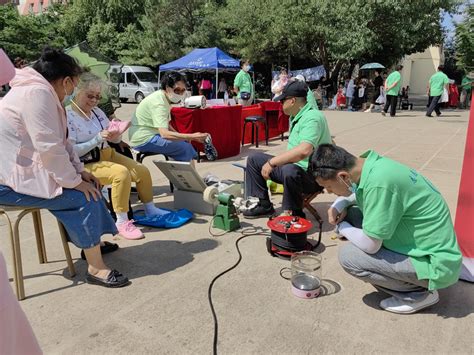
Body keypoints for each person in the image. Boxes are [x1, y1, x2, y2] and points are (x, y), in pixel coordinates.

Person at [0, 47, 129, 287]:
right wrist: (73, 182)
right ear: (67, 81)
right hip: (6, 182)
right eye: (74, 85)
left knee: (88, 185)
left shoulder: (39, 91)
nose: (72, 91)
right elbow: (50, 148)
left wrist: (80, 172)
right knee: (83, 197)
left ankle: (92, 245)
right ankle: (95, 267)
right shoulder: (36, 95)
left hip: (20, 172)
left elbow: (62, 142)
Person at [311, 144, 462, 314]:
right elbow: (361, 193)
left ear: (343, 177)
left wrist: (342, 227)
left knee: (349, 257)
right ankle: (410, 280)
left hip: (436, 263)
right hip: (426, 242)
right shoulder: (372, 166)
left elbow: (370, 245)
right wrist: (340, 204)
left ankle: (417, 294)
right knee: (353, 214)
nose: (330, 192)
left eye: (329, 187)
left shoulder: (379, 185)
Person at [67, 72, 169, 240]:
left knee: (141, 170)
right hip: (85, 162)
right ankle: (122, 221)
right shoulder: (68, 116)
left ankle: (150, 209)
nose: (94, 100)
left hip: (108, 153)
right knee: (120, 174)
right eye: (90, 95)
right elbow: (72, 151)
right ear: (78, 91)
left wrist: (117, 135)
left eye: (98, 97)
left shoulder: (97, 112)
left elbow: (113, 136)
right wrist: (97, 138)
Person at [0, 47, 42, 355]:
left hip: (19, 175)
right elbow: (33, 156)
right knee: (79, 199)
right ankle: (94, 260)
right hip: (11, 182)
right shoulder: (30, 102)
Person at [243, 80, 332, 218]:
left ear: (292, 101)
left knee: (288, 169)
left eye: (282, 101)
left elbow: (304, 150)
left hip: (313, 177)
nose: (280, 104)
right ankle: (264, 204)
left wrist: (272, 162)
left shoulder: (313, 118)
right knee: (254, 159)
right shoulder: (295, 116)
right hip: (294, 171)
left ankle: (295, 213)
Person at [129, 71, 209, 163]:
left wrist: (184, 138)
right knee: (185, 148)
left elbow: (165, 123)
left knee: (183, 144)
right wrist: (191, 137)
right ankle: (188, 176)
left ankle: (183, 173)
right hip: (143, 139)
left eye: (183, 91)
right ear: (167, 88)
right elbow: (165, 134)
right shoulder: (159, 103)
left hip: (147, 135)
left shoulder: (162, 97)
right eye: (177, 90)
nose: (180, 94)